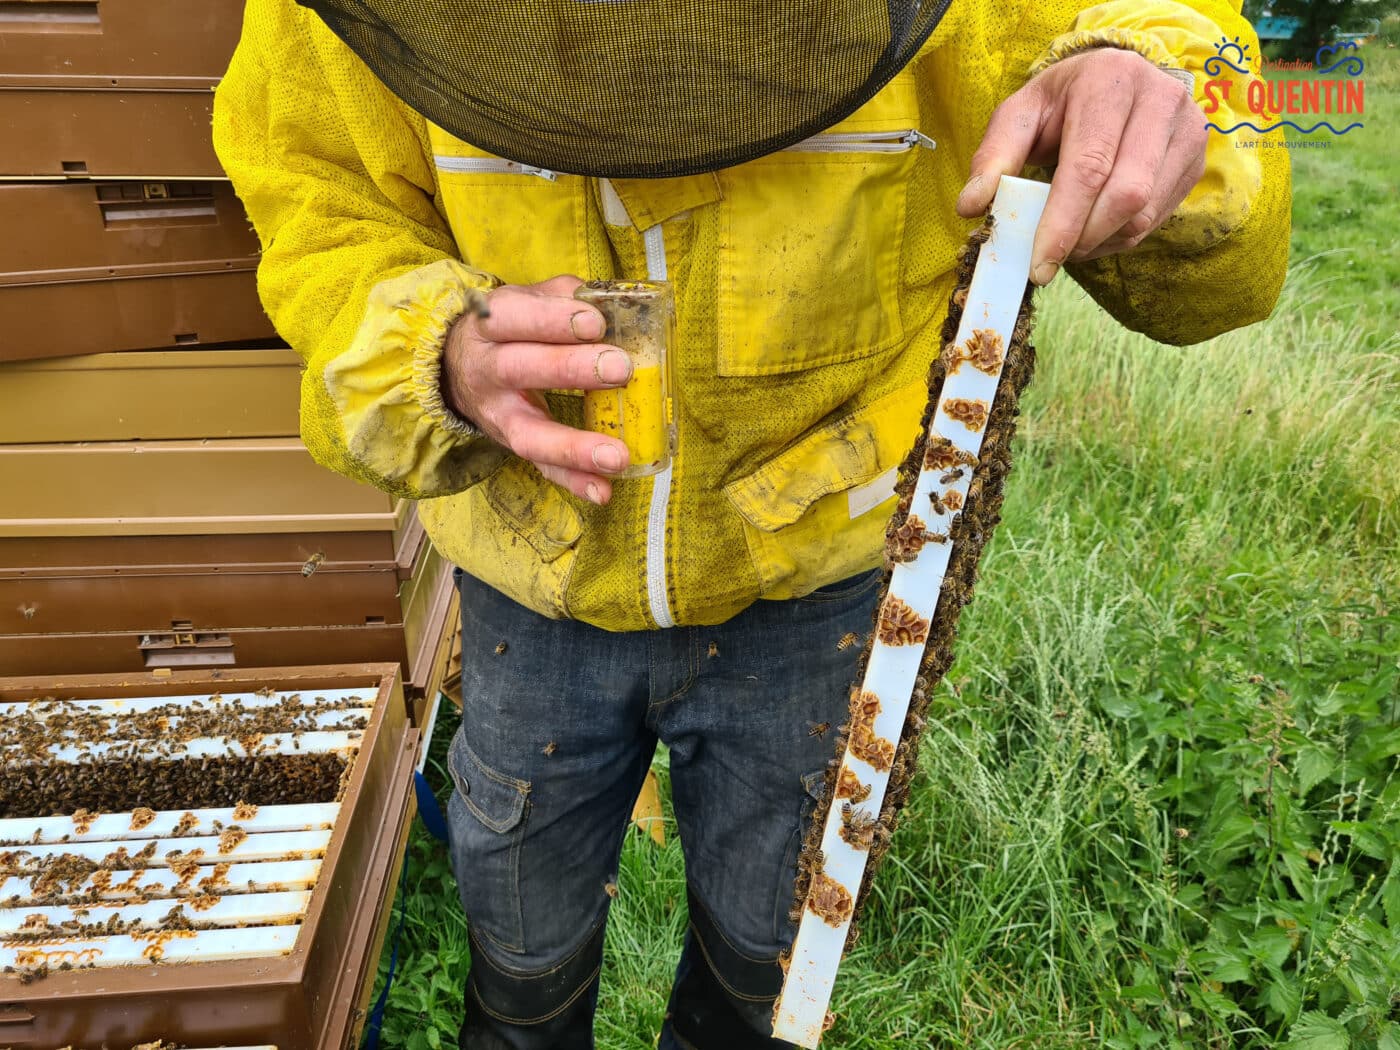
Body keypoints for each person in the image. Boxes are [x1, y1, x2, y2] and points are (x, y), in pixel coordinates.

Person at [214, 2, 1289, 1046]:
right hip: (531, 577)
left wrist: (1149, 76)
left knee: (767, 939)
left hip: (812, 588)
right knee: (518, 924)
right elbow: (316, 195)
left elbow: (1194, 115)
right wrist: (431, 348)